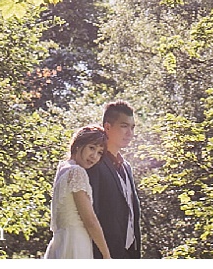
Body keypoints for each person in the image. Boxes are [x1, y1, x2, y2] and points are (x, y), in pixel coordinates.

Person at [45, 126, 111, 259]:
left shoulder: (63, 168)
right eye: (92, 148)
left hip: (60, 242)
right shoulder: (76, 172)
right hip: (75, 243)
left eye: (99, 152)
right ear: (78, 144)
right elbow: (90, 220)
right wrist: (106, 255)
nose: (94, 156)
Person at [86, 101, 141, 258]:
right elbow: (91, 216)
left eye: (132, 127)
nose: (130, 133)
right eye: (124, 126)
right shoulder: (94, 165)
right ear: (108, 127)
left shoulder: (127, 167)